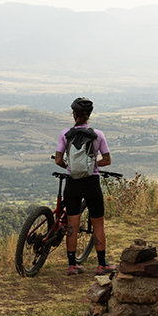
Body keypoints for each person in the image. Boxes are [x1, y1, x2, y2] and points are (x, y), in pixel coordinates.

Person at [53, 96, 112, 276]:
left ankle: (72, 265)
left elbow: (58, 160)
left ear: (74, 115)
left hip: (72, 183)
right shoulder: (98, 135)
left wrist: (70, 168)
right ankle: (102, 265)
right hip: (91, 183)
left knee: (72, 224)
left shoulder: (65, 134)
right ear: (89, 116)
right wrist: (93, 166)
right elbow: (107, 160)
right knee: (98, 224)